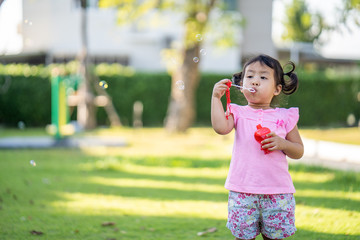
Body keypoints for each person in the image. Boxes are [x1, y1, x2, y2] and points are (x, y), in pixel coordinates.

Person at [211, 54, 304, 240]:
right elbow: (221, 128)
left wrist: (282, 143)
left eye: (263, 77)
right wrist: (215, 98)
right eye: (250, 76)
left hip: (277, 192)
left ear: (277, 89)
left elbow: (298, 151)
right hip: (242, 191)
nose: (254, 82)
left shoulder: (285, 117)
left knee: (274, 237)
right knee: (243, 237)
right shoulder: (237, 112)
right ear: (242, 82)